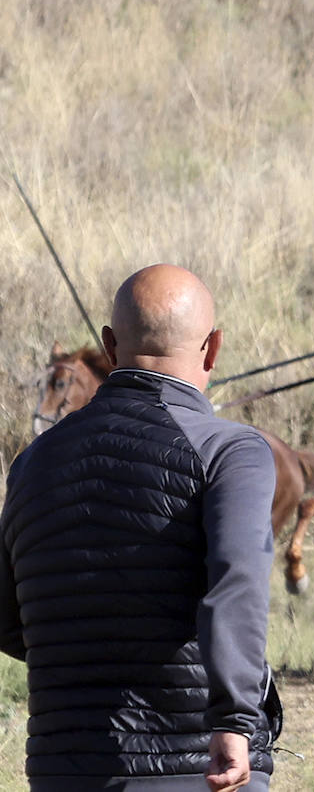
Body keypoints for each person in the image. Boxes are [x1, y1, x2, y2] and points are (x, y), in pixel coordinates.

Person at [1, 264, 279, 791]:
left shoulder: (31, 463)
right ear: (213, 348)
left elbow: (8, 619)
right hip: (194, 767)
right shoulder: (231, 452)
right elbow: (236, 587)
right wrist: (234, 721)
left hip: (62, 766)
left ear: (109, 346)